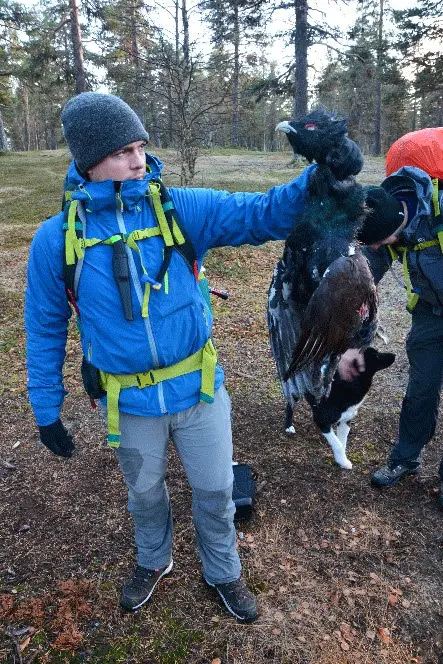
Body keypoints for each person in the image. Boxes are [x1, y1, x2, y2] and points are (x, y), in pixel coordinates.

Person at [24, 92, 363, 622]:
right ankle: (153, 560)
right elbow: (44, 328)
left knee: (215, 489)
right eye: (122, 151)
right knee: (144, 495)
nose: (138, 159)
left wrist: (327, 173)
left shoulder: (178, 208)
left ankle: (223, 570)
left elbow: (263, 214)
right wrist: (46, 406)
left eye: (140, 146)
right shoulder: (55, 241)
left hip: (199, 390)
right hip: (129, 402)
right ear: (90, 160)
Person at [340, 144, 443, 496]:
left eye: (386, 242)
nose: (382, 248)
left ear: (401, 221)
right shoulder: (382, 213)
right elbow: (364, 287)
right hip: (430, 316)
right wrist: (354, 343)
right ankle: (406, 457)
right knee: (420, 391)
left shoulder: (438, 212)